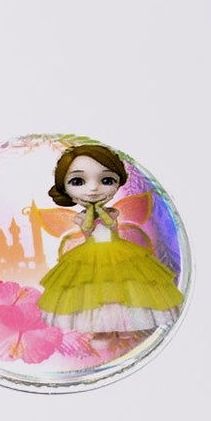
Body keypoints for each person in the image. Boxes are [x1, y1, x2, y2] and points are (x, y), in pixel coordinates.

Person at [36, 142, 184, 350]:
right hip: (90, 254)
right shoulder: (82, 218)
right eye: (78, 181)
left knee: (124, 286)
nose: (93, 188)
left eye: (106, 180)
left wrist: (101, 213)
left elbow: (110, 224)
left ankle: (126, 324)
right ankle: (101, 330)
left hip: (118, 250)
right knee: (95, 291)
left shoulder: (112, 213)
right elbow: (88, 227)